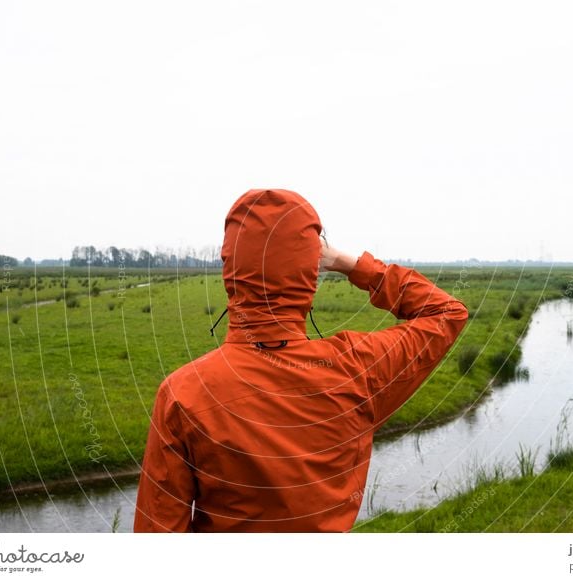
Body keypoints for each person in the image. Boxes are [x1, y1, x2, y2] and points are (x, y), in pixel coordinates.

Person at [133, 188, 468, 532]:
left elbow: (157, 531)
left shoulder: (183, 393)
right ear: (310, 273)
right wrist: (351, 264)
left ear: (229, 270)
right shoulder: (359, 368)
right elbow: (447, 312)